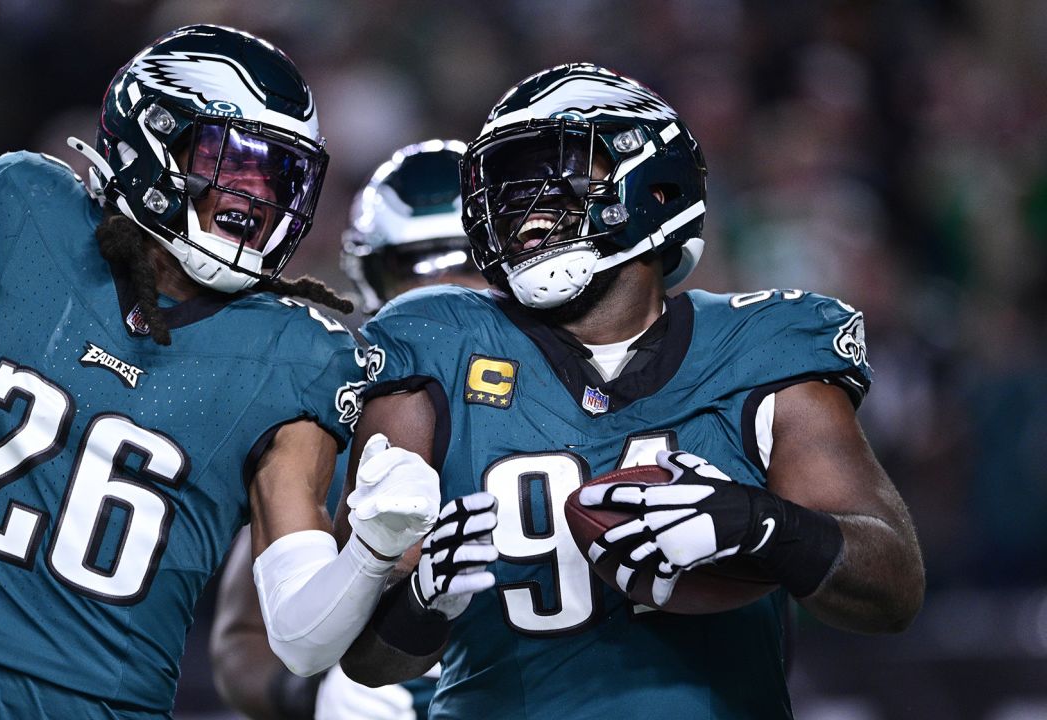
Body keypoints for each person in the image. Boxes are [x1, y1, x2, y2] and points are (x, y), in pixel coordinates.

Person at [0, 4, 440, 718]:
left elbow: (297, 625)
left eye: (280, 178)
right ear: (154, 138)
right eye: (237, 166)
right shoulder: (29, 222)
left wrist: (371, 556)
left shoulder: (297, 356)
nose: (260, 202)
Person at [335, 64, 926, 719]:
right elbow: (364, 657)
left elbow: (892, 589)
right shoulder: (436, 341)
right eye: (504, 185)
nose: (520, 204)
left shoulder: (760, 350)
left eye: (552, 171)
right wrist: (420, 599)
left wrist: (763, 527)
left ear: (651, 181)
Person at [210, 140, 485, 720]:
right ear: (370, 281)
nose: (450, 291)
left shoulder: (583, 399)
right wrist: (318, 697)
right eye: (417, 267)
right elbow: (244, 640)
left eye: (470, 262)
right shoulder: (335, 416)